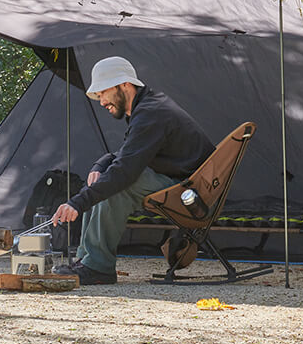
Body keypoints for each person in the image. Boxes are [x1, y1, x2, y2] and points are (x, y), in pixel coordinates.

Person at [52, 55, 214, 285]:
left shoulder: (151, 113)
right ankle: (86, 259)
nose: (101, 102)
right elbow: (128, 154)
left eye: (103, 93)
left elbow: (126, 169)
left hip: (193, 194)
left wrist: (76, 203)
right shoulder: (147, 107)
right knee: (104, 180)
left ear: (124, 85)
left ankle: (98, 267)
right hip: (180, 183)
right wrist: (101, 164)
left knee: (119, 184)